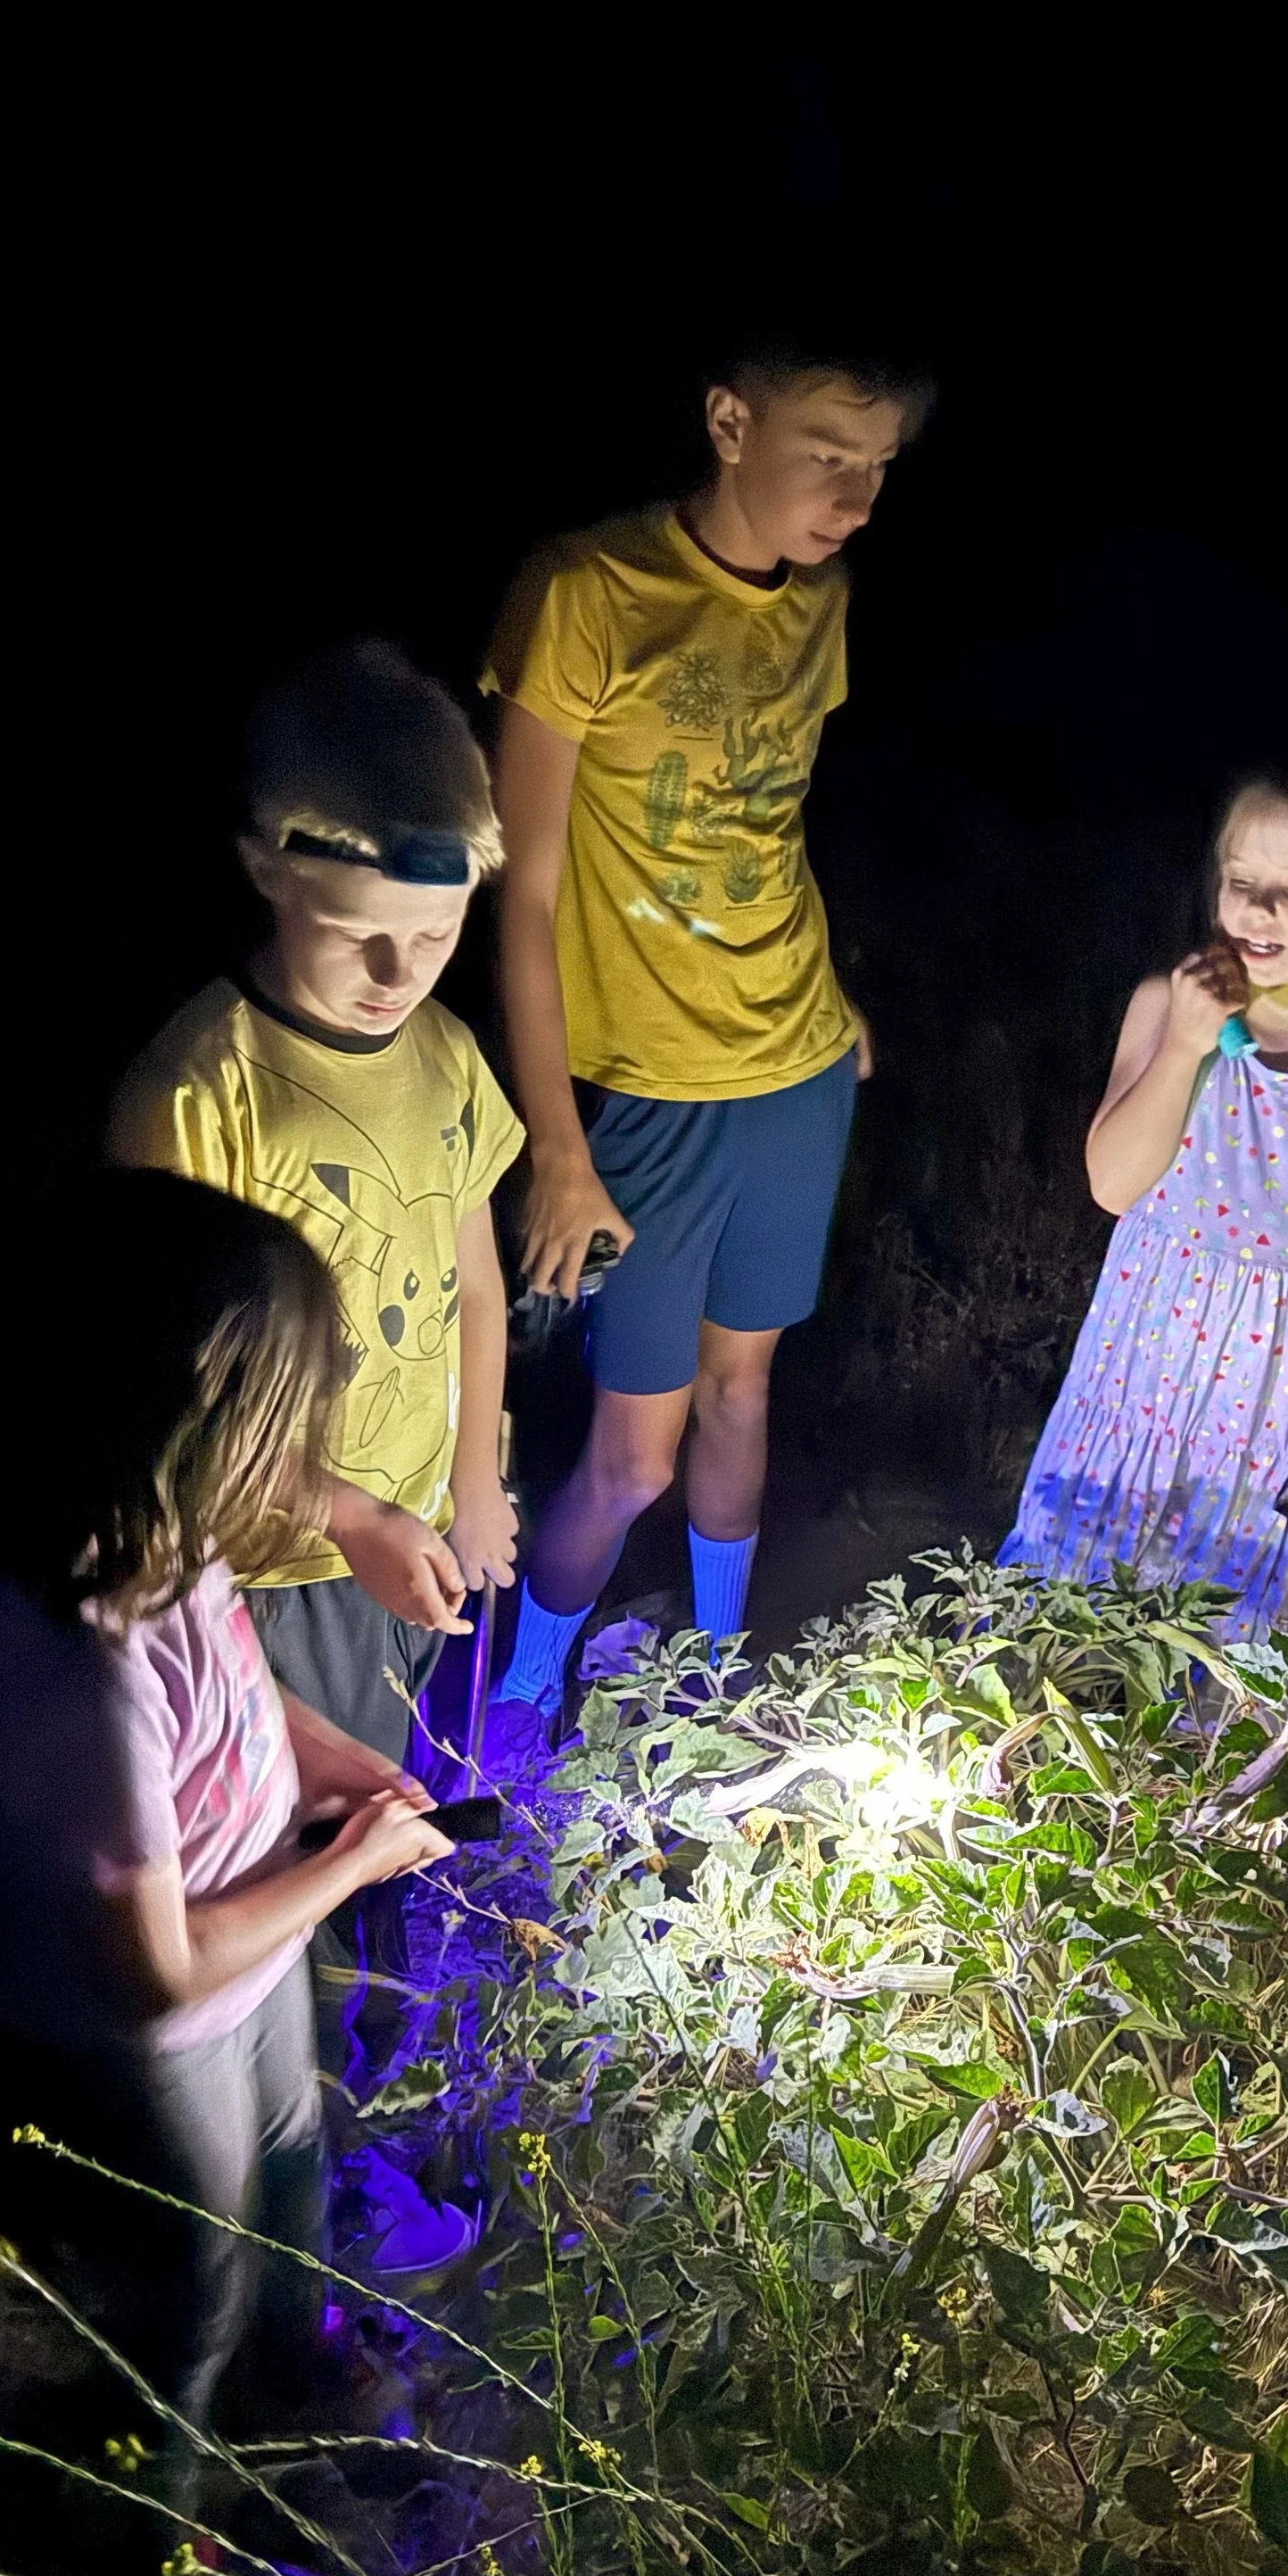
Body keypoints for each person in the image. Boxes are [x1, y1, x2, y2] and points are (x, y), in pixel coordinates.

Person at [0, 1173, 458, 2449]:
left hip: (251, 1958)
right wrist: (350, 1865)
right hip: (159, 2030)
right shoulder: (84, 1649)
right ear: (187, 1415)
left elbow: (238, 1686)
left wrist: (333, 1762)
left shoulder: (165, 1524)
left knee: (293, 2148)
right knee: (197, 2276)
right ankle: (163, 2514)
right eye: (282, 1416)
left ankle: (303, 2364)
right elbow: (156, 1967)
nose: (305, 1443)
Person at [478, 329, 931, 1753]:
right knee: (633, 1452)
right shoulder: (586, 596)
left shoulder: (823, 601)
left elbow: (764, 820)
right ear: (732, 421)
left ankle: (721, 1673)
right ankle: (515, 1690)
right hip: (652, 1096)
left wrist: (832, 994)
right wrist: (557, 1145)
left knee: (745, 1388)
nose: (856, 497)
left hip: (795, 1071)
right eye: (828, 456)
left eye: (880, 468)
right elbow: (529, 886)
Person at [110, 640, 524, 1768]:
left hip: (409, 1530)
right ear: (268, 871)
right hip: (263, 1564)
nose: (399, 972)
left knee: (382, 1773)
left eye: (436, 936)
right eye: (359, 935)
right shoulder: (201, 1092)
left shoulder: (443, 1055)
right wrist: (347, 1515)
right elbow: (174, 1398)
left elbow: (474, 1281)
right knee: (282, 1810)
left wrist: (472, 1476)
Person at [1001, 781, 1288, 1632]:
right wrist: (1183, 1047)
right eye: (1240, 878)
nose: (1256, 906)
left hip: (1269, 1413)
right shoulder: (1167, 1009)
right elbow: (1113, 1184)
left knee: (1224, 1638)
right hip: (1134, 1383)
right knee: (1063, 1610)